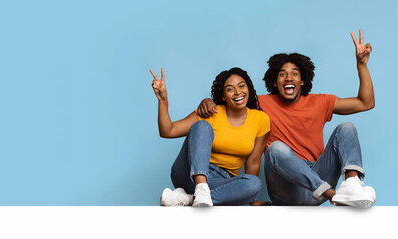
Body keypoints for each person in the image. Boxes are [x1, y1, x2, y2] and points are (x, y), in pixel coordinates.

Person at [197, 30, 376, 208]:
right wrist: (207, 101)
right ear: (275, 82)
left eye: (295, 73)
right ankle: (332, 194)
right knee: (276, 148)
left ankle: (352, 186)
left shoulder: (321, 101)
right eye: (282, 74)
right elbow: (233, 100)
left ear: (303, 80)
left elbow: (365, 103)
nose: (288, 78)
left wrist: (362, 65)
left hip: (318, 175)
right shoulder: (259, 103)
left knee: (346, 128)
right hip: (286, 187)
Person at [150, 67, 270, 206]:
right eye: (230, 89)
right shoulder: (210, 112)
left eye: (242, 86)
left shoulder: (260, 119)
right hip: (189, 174)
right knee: (202, 126)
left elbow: (253, 162)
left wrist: (252, 199)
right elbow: (168, 131)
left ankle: (187, 199)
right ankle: (201, 189)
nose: (238, 92)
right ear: (223, 95)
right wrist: (163, 100)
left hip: (221, 181)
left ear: (248, 89)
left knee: (254, 184)